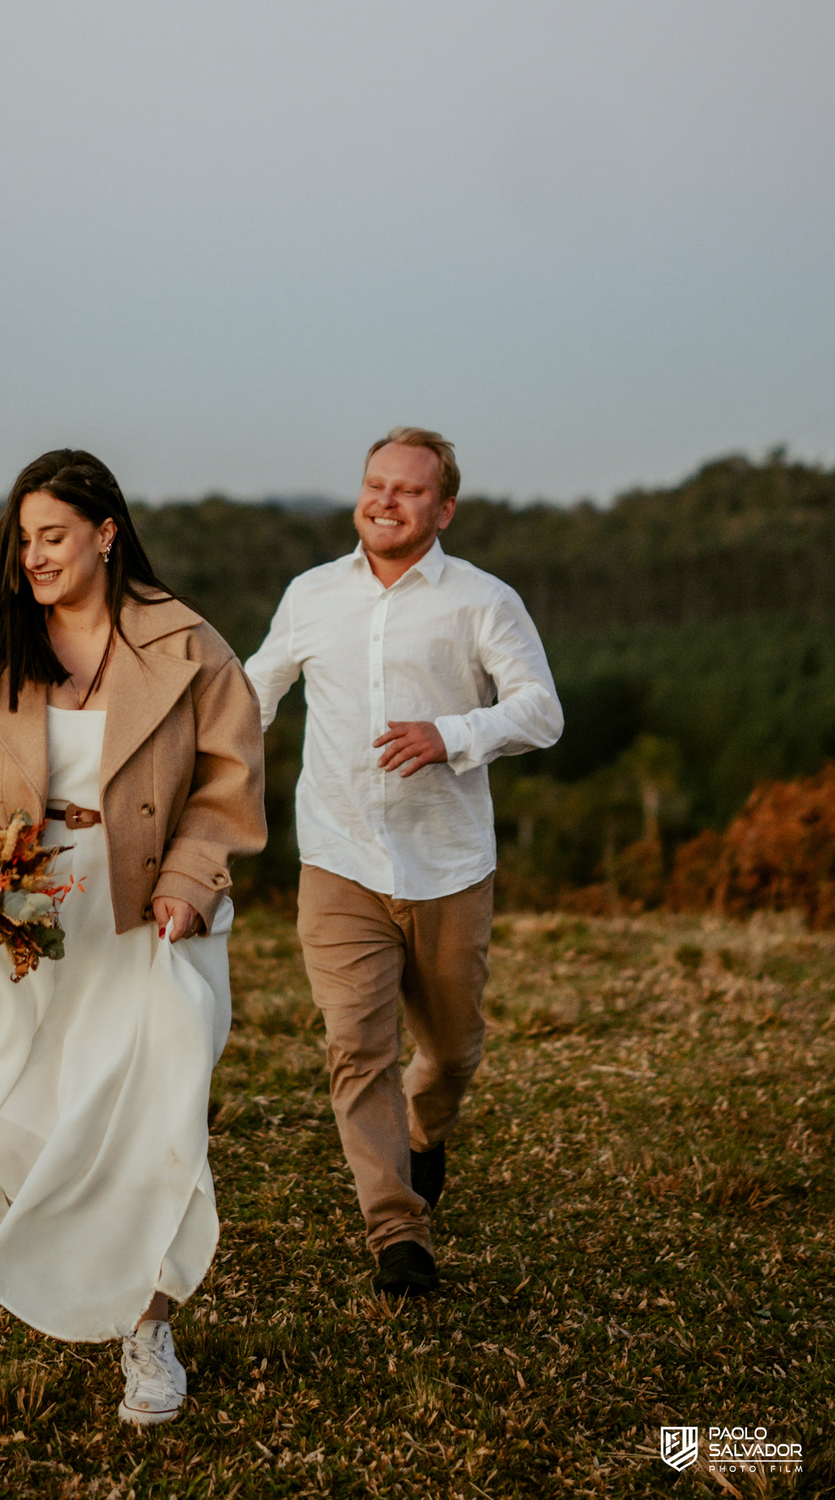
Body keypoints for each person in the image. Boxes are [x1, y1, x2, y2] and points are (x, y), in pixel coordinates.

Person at [0, 449, 266, 1423]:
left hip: (152, 919)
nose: (34, 557)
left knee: (157, 1116)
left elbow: (229, 777)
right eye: (22, 541)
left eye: (53, 536)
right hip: (38, 921)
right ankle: (61, 1253)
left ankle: (148, 1331)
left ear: (106, 532)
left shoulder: (186, 645)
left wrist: (189, 879)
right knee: (27, 1117)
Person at [244, 427, 562, 1299]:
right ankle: (397, 1233)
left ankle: (426, 1135)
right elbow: (252, 695)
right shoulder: (310, 595)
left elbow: (541, 711)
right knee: (356, 1048)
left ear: (444, 508)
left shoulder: (481, 600)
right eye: (375, 484)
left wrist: (452, 734)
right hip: (338, 858)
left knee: (452, 1053)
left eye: (409, 490)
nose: (385, 500)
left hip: (448, 869)